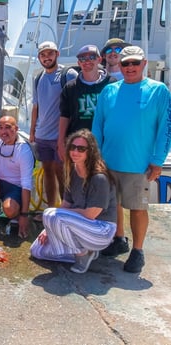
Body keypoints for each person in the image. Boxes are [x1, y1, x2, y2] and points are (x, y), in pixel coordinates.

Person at [92, 45, 171, 273]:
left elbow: (165, 128)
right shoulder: (109, 91)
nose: (130, 67)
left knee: (137, 208)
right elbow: (97, 125)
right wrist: (95, 156)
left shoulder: (159, 91)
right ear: (119, 65)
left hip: (139, 165)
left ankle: (138, 251)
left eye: (135, 63)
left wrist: (157, 161)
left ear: (144, 63)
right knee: (113, 204)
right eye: (125, 63)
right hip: (107, 161)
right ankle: (119, 240)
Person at [30, 129, 117, 274]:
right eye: (72, 147)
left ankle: (83, 253)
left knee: (51, 214)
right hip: (80, 226)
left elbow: (90, 214)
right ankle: (82, 251)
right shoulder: (72, 170)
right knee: (37, 251)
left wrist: (57, 216)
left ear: (91, 151)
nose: (75, 152)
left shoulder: (99, 177)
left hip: (101, 230)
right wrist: (48, 229)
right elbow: (65, 205)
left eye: (81, 148)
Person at [30, 41, 78, 210]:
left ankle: (67, 210)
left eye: (50, 54)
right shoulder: (37, 78)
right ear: (39, 58)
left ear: (57, 54)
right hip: (42, 136)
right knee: (48, 173)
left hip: (61, 137)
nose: (46, 57)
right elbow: (35, 108)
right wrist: (32, 134)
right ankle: (51, 209)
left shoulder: (68, 74)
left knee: (62, 173)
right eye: (43, 55)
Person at [57, 44, 116, 161]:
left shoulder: (112, 84)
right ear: (79, 63)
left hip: (104, 146)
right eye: (83, 58)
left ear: (99, 59)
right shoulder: (70, 87)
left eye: (92, 57)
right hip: (77, 146)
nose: (87, 61)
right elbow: (65, 115)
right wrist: (60, 142)